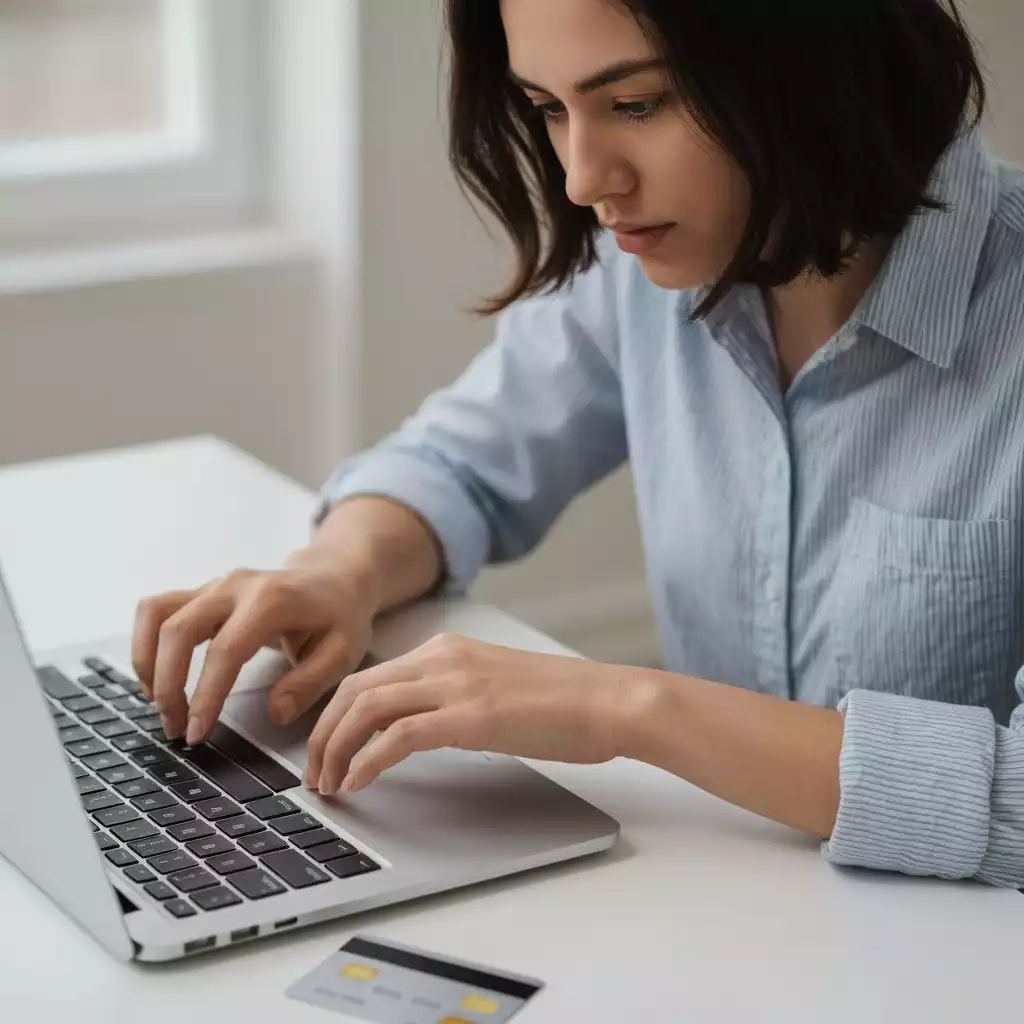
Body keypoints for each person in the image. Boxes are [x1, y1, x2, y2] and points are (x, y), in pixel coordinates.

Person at [132, 0, 1024, 888]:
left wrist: (626, 706)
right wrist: (339, 572)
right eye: (549, 109)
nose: (583, 181)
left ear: (817, 65)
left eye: (637, 104)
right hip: (737, 898)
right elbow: (459, 462)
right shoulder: (650, 269)